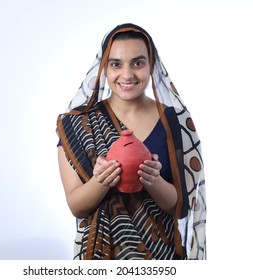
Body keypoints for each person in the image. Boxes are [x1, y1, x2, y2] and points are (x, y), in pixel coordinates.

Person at [56, 23, 206, 260]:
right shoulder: (78, 124)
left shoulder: (173, 121)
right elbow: (77, 206)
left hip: (161, 257)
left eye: (138, 63)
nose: (127, 75)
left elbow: (180, 207)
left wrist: (153, 181)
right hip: (101, 255)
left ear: (151, 66)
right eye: (116, 64)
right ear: (104, 68)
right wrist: (101, 181)